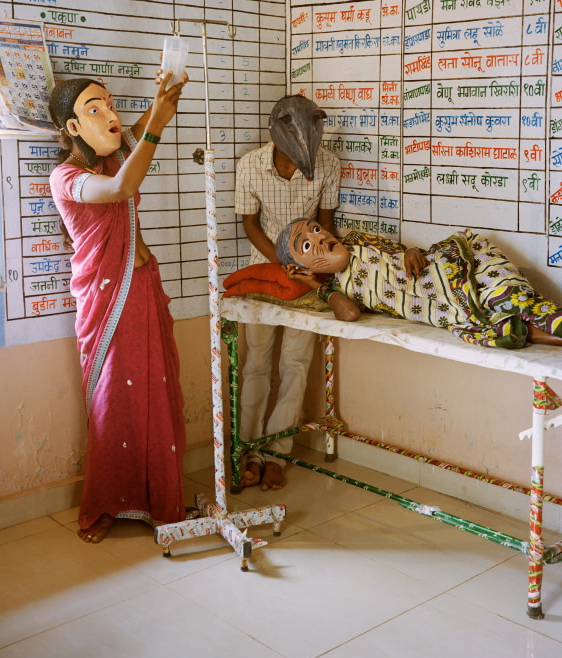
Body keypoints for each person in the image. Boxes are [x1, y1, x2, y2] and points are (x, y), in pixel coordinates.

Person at [49, 69, 189, 543]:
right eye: (95, 109)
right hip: (106, 301)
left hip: (144, 287)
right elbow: (121, 190)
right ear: (72, 127)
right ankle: (107, 502)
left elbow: (148, 123)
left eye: (109, 104)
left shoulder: (115, 155)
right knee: (112, 403)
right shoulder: (68, 177)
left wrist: (166, 95)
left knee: (159, 393)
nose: (111, 114)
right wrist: (156, 124)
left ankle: (161, 499)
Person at [235, 95, 340, 490]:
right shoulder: (250, 165)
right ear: (277, 135)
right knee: (256, 364)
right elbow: (250, 225)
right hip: (264, 273)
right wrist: (281, 263)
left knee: (296, 363)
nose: (300, 162)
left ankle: (276, 455)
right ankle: (249, 452)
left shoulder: (328, 164)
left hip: (308, 278)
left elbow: (326, 224)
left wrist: (313, 268)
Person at [275, 219, 562, 348]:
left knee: (505, 295)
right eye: (307, 245)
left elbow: (401, 250)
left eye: (316, 229)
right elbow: (349, 314)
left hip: (445, 271)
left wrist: (411, 252)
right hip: (441, 306)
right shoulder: (335, 289)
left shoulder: (356, 240)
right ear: (300, 267)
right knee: (505, 324)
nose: (320, 237)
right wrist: (314, 284)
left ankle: (547, 316)